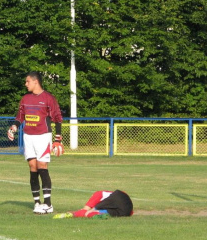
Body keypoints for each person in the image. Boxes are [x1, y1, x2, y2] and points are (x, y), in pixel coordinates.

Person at [7, 71, 63, 215]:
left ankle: (48, 204)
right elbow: (20, 117)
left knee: (42, 165)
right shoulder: (25, 99)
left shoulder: (48, 98)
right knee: (32, 167)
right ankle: (37, 203)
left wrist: (58, 139)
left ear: (35, 82)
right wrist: (14, 127)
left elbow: (57, 118)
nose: (26, 84)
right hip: (28, 136)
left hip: (43, 136)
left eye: (27, 82)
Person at [53, 190, 134, 219]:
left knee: (87, 212)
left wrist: (74, 213)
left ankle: (69, 215)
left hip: (119, 197)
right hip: (126, 210)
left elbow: (85, 209)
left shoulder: (98, 194)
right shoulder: (108, 195)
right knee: (102, 212)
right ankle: (98, 215)